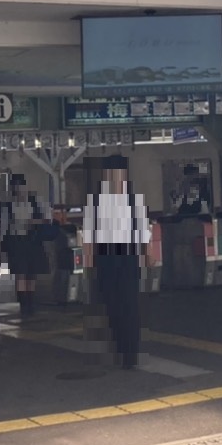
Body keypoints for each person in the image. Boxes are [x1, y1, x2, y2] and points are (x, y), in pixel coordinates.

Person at [81, 155, 149, 369]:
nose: (115, 178)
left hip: (128, 257)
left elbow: (142, 228)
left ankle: (130, 352)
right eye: (110, 174)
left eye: (118, 173)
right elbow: (89, 232)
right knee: (112, 304)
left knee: (129, 305)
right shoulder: (96, 200)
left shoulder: (133, 199)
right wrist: (89, 258)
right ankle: (120, 346)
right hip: (106, 258)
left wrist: (146, 253)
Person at [3, 192, 50, 320]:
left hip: (32, 240)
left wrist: (36, 221)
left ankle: (29, 303)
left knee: (31, 273)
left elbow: (48, 218)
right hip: (17, 241)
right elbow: (4, 226)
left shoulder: (36, 202)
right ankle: (25, 304)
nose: (20, 191)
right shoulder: (9, 206)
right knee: (21, 273)